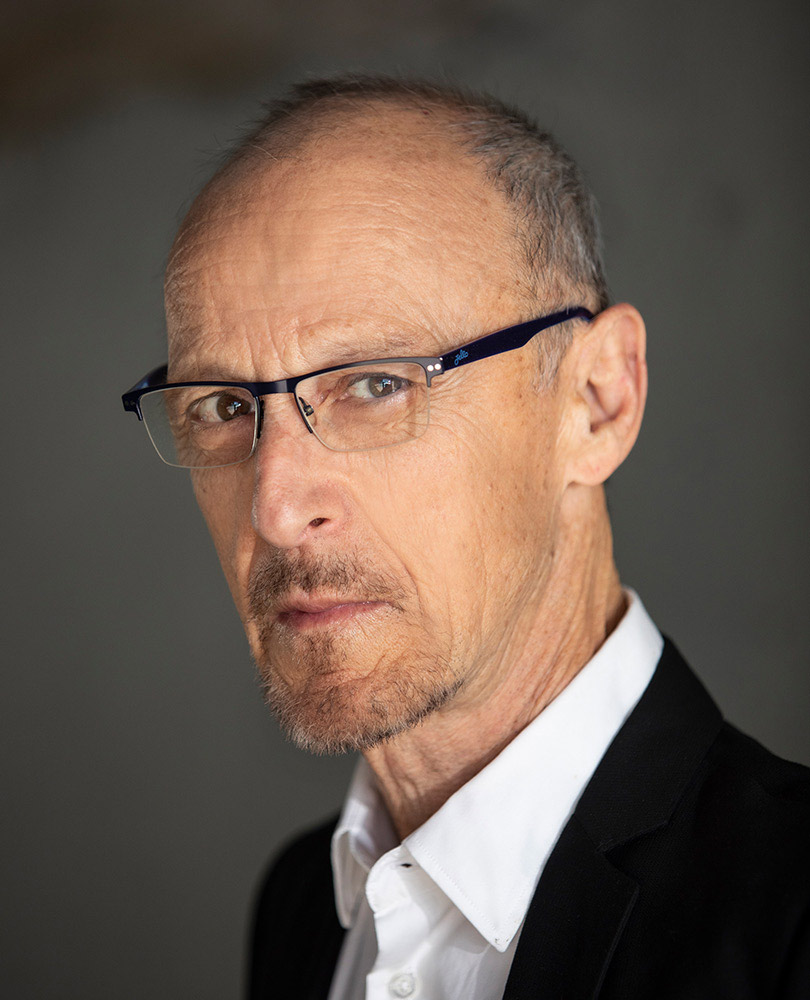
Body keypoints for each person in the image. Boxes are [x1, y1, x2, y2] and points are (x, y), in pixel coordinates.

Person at [122, 75, 810, 999]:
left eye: (376, 384)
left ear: (597, 401)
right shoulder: (302, 908)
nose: (276, 508)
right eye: (220, 406)